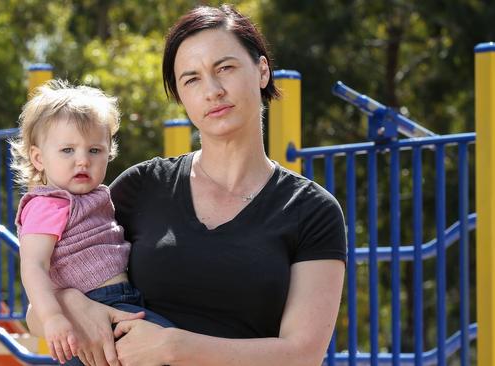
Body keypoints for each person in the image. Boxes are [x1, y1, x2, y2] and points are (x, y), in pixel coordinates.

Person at [27, 5, 346, 366]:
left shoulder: (313, 211)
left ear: (261, 70)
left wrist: (172, 347)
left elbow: (302, 355)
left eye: (224, 68)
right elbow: (35, 313)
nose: (212, 90)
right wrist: (74, 304)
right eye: (191, 79)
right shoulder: (141, 187)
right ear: (180, 96)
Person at [11, 80, 174, 364]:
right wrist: (53, 318)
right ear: (38, 158)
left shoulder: (99, 196)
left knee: (171, 343)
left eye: (95, 150)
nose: (83, 161)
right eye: (67, 150)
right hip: (90, 308)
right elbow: (33, 265)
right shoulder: (48, 203)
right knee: (169, 344)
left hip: (122, 301)